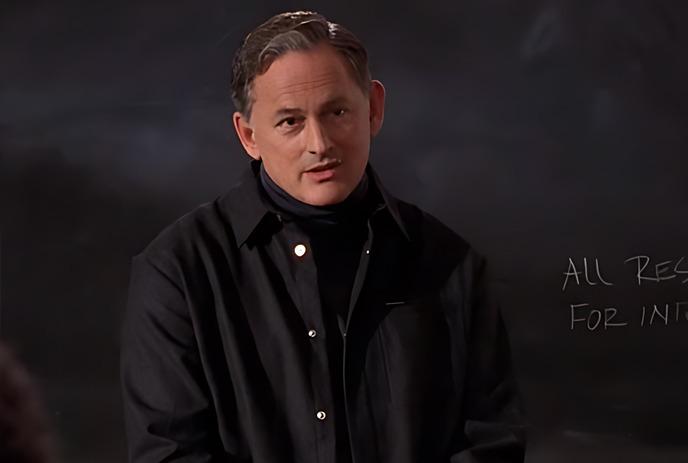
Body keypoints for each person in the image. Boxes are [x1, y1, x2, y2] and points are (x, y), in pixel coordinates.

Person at [121, 10, 526, 463]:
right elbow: (172, 455)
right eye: (290, 122)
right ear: (248, 135)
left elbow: (491, 444)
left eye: (336, 112)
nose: (320, 143)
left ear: (373, 108)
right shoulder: (178, 272)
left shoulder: (451, 265)